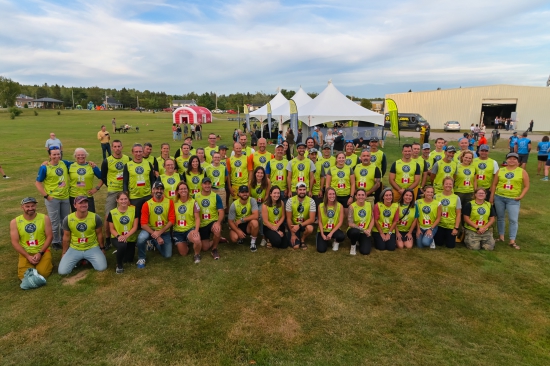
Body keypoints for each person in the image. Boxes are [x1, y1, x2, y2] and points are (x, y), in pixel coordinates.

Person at [58, 196, 107, 275]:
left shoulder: (95, 217)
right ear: (75, 205)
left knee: (101, 267)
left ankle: (85, 259)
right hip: (75, 248)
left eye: (85, 202)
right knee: (63, 272)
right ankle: (80, 260)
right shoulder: (68, 219)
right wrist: (64, 253)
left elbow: (99, 234)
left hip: (92, 247)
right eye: (80, 203)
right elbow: (66, 237)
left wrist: (102, 248)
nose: (83, 205)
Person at [490, 152, 530, 249]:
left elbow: (526, 186)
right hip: (499, 197)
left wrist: (521, 196)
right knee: (500, 217)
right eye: (509, 158)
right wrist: (492, 197)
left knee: (513, 219)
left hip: (513, 199)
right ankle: (501, 237)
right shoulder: (501, 170)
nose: (511, 160)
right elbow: (494, 184)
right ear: (506, 160)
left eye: (514, 159)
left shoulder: (522, 171)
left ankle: (512, 240)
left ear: (518, 161)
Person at [35, 147, 71, 250]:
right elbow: (37, 183)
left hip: (65, 197)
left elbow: (79, 163)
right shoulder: (45, 167)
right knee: (54, 221)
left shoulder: (64, 163)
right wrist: (46, 196)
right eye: (54, 154)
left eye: (58, 154)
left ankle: (65, 238)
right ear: (49, 155)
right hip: (52, 199)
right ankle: (55, 241)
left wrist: (90, 163)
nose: (56, 156)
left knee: (65, 220)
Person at [10, 197, 53, 280]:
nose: (30, 208)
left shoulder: (44, 218)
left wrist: (40, 253)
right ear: (22, 207)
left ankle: (46, 262)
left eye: (32, 206)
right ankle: (33, 264)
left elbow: (50, 236)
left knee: (43, 273)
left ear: (36, 206)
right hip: (26, 252)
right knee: (23, 276)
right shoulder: (15, 222)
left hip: (42, 251)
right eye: (27, 206)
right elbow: (14, 242)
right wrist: (27, 256)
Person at [135, 181, 175, 268]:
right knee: (141, 238)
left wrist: (159, 233)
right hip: (150, 230)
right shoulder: (147, 204)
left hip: (164, 231)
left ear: (163, 191)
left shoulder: (169, 202)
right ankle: (142, 258)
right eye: (157, 189)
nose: (159, 191)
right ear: (153, 190)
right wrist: (157, 235)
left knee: (167, 255)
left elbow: (172, 220)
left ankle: (153, 242)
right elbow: (143, 224)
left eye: (161, 189)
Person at [101, 140, 130, 247]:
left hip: (125, 190)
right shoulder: (107, 161)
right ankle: (108, 239)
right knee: (108, 215)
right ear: (112, 148)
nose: (117, 148)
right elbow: (103, 176)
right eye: (115, 146)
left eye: (119, 146)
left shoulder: (127, 159)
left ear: (122, 147)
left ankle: (129, 236)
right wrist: (110, 186)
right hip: (113, 191)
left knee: (128, 213)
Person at [122, 143, 156, 221]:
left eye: (140, 151)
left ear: (143, 151)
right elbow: (125, 182)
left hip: (147, 195)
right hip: (134, 196)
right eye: (136, 152)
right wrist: (126, 197)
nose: (138, 154)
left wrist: (153, 190)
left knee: (148, 216)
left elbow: (152, 179)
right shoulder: (127, 165)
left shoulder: (148, 164)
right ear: (132, 152)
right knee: (136, 217)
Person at [107, 192, 139, 273]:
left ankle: (120, 251)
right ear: (117, 200)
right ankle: (119, 265)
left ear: (128, 200)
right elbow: (111, 229)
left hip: (130, 238)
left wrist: (126, 236)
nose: (123, 201)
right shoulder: (112, 212)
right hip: (116, 237)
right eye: (121, 199)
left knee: (128, 260)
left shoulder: (134, 210)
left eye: (125, 199)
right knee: (122, 245)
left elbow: (135, 227)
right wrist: (119, 236)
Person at [194, 177, 224, 260]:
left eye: (209, 183)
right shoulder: (195, 196)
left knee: (217, 230)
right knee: (205, 248)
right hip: (201, 224)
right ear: (201, 185)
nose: (207, 185)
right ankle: (218, 239)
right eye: (205, 184)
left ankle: (214, 249)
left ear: (211, 184)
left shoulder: (216, 196)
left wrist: (218, 223)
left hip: (212, 221)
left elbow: (221, 211)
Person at [172, 181, 202, 263]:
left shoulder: (193, 202)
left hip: (189, 229)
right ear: (178, 191)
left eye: (185, 188)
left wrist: (196, 230)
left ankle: (197, 254)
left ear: (188, 190)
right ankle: (186, 242)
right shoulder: (173, 202)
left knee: (197, 239)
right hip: (178, 231)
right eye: (181, 189)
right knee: (183, 253)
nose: (183, 190)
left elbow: (197, 218)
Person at [228, 185, 260, 251]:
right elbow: (230, 221)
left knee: (255, 222)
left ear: (249, 193)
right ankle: (240, 237)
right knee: (234, 238)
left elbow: (256, 215)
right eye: (242, 192)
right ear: (239, 194)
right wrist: (237, 231)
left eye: (246, 192)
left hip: (248, 224)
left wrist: (242, 220)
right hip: (238, 225)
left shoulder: (252, 200)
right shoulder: (234, 204)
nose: (245, 194)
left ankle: (253, 243)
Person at [286, 182, 316, 249]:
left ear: (306, 190)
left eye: (304, 189)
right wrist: (293, 234)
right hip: (293, 225)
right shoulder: (290, 201)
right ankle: (293, 235)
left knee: (310, 228)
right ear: (296, 190)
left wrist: (299, 226)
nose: (302, 191)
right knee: (296, 247)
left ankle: (302, 239)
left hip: (304, 224)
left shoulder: (311, 201)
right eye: (300, 189)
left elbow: (312, 219)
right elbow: (288, 219)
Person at [315, 187, 345, 253]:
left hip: (334, 230)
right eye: (330, 194)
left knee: (341, 236)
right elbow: (319, 221)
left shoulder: (340, 206)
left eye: (333, 194)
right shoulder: (321, 206)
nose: (332, 196)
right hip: (324, 229)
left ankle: (336, 242)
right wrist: (322, 234)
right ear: (326, 195)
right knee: (321, 250)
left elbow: (340, 222)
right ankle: (324, 239)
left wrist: (331, 233)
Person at [434, 177, 461, 248]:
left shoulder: (456, 198)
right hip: (439, 225)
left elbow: (458, 214)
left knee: (450, 246)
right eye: (446, 184)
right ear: (443, 185)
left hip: (450, 225)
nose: (448, 185)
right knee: (438, 243)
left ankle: (449, 236)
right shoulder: (436, 196)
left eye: (450, 184)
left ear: (453, 185)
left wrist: (456, 228)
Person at [346, 189, 374, 255]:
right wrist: (363, 230)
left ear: (365, 196)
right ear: (356, 196)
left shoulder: (369, 205)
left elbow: (372, 218)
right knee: (355, 232)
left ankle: (359, 240)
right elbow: (350, 223)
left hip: (365, 232)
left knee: (365, 252)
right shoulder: (352, 206)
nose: (361, 197)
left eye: (362, 195)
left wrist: (369, 230)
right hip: (354, 230)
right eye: (359, 195)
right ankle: (353, 245)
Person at [249, 166, 270, 246]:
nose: (260, 174)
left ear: (264, 174)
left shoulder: (267, 181)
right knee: (253, 216)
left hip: (263, 202)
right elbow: (250, 195)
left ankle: (263, 237)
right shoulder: (251, 182)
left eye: (261, 173)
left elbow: (267, 195)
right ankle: (252, 234)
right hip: (254, 203)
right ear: (255, 174)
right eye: (258, 172)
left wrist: (262, 204)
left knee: (261, 217)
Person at [206, 152, 229, 217]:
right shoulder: (207, 168)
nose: (217, 159)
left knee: (222, 207)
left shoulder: (224, 167)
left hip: (221, 190)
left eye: (218, 157)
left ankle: (221, 222)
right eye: (215, 157)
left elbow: (226, 178)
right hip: (211, 190)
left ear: (220, 158)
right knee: (212, 206)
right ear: (212, 158)